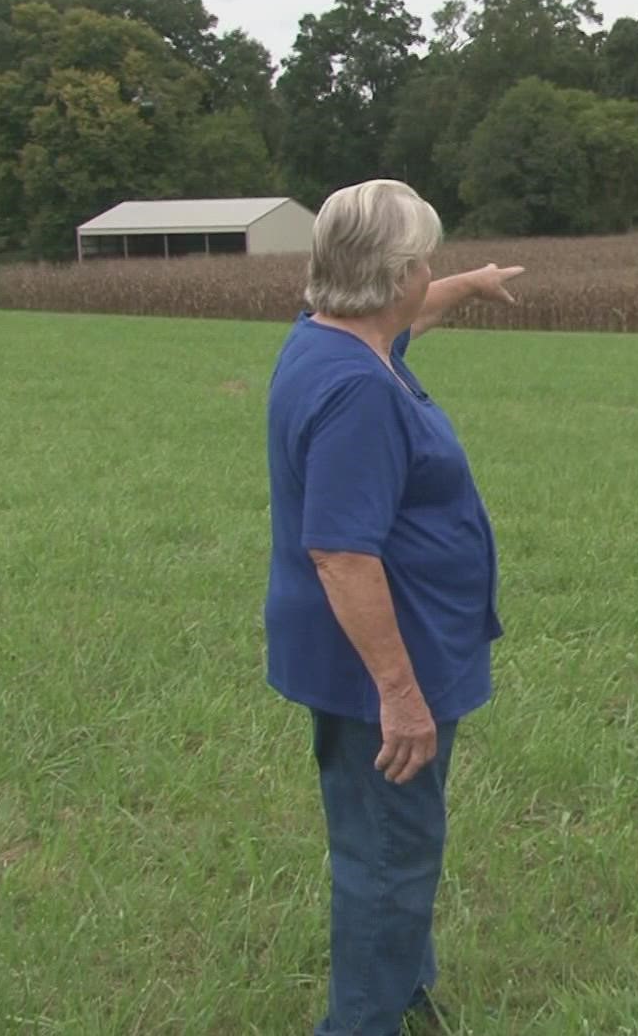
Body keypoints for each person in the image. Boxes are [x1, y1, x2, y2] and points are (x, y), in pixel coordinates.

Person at [263, 179, 524, 1035]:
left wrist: (473, 283)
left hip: (386, 653)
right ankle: (365, 1022)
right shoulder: (359, 392)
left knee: (394, 841)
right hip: (381, 666)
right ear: (397, 270)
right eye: (428, 264)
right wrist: (399, 693)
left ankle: (404, 992)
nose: (431, 276)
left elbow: (410, 317)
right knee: (387, 858)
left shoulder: (330, 341)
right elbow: (341, 552)